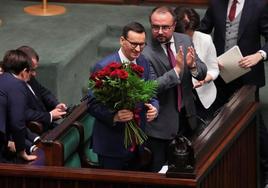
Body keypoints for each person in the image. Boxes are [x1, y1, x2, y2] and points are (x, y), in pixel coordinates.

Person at [199, 1, 268, 187]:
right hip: (220, 74)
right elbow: (202, 33)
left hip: (248, 76)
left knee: (253, 122)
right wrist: (209, 56)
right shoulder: (216, 4)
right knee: (219, 119)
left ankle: (265, 167)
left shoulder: (259, 6)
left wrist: (259, 55)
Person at [142, 6, 207, 172]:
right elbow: (149, 88)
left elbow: (201, 72)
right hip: (159, 126)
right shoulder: (143, 50)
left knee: (187, 170)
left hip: (186, 117)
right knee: (159, 172)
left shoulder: (184, 40)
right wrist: (177, 70)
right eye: (156, 27)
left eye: (165, 27)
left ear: (174, 25)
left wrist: (192, 67)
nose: (160, 31)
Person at [87, 22, 159, 170]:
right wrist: (114, 116)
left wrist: (154, 107)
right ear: (122, 40)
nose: (138, 49)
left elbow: (150, 93)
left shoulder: (143, 62)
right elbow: (91, 103)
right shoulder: (103, 67)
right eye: (134, 44)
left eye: (142, 44)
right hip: (112, 145)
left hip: (137, 143)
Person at [174, 7, 219, 122]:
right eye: (185, 33)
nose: (188, 37)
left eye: (191, 32)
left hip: (203, 97)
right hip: (178, 99)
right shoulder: (168, 42)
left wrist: (204, 79)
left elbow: (214, 69)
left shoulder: (205, 39)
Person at [17, 46, 67, 132]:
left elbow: (43, 92)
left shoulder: (30, 77)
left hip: (47, 126)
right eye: (32, 70)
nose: (34, 74)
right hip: (33, 132)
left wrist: (56, 104)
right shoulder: (13, 86)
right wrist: (50, 115)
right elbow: (24, 113)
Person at [0, 49, 37, 162]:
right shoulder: (17, 86)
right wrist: (22, 151)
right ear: (24, 71)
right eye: (30, 72)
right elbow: (17, 123)